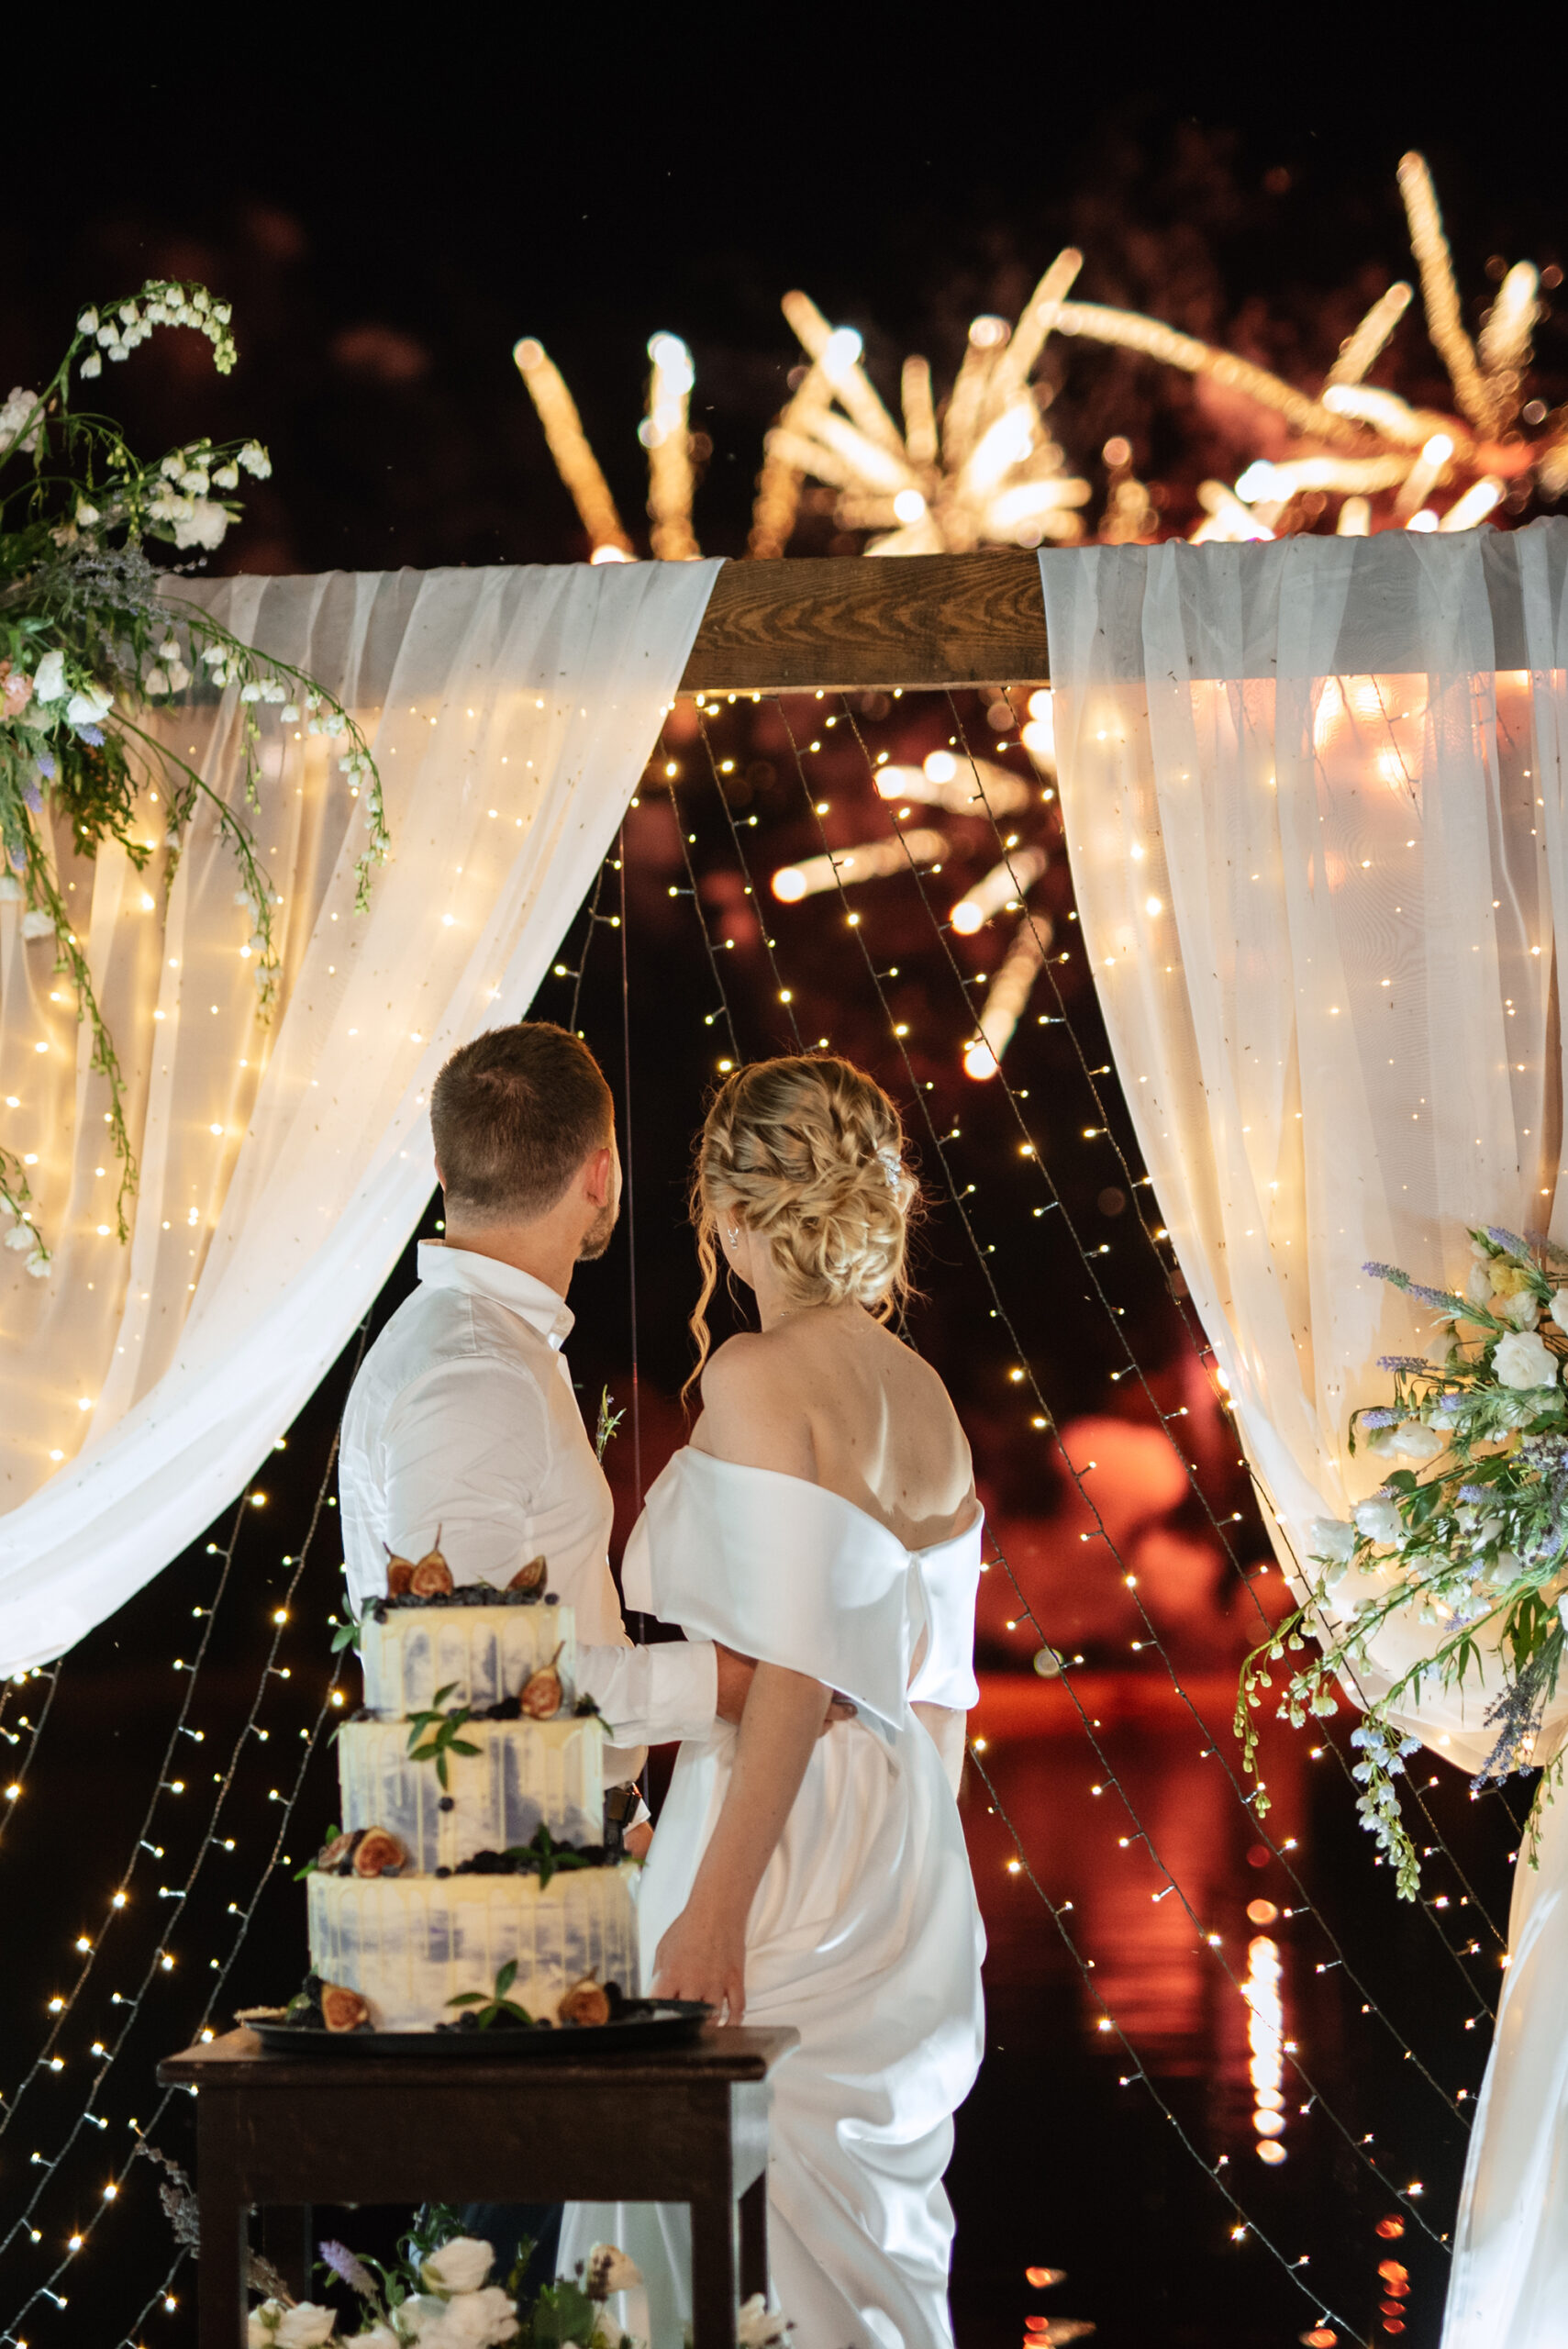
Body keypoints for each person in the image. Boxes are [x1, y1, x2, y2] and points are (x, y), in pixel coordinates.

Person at [562, 1054, 985, 2349]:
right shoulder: (923, 1393)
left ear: (728, 1209)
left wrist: (713, 1907)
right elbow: (943, 1696)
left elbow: (794, 1673)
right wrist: (913, 1866)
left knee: (686, 2207)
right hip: (906, 1835)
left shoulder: (754, 1373)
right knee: (860, 2227)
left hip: (771, 1825)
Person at [338, 1019, 759, 2288]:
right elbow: (467, 1694)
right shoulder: (470, 1375)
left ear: (448, 1166)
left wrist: (629, 1811)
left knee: (561, 2276)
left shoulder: (488, 1350)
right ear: (601, 1173)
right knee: (513, 2282)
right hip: (498, 1923)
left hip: (552, 1884)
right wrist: (726, 1683)